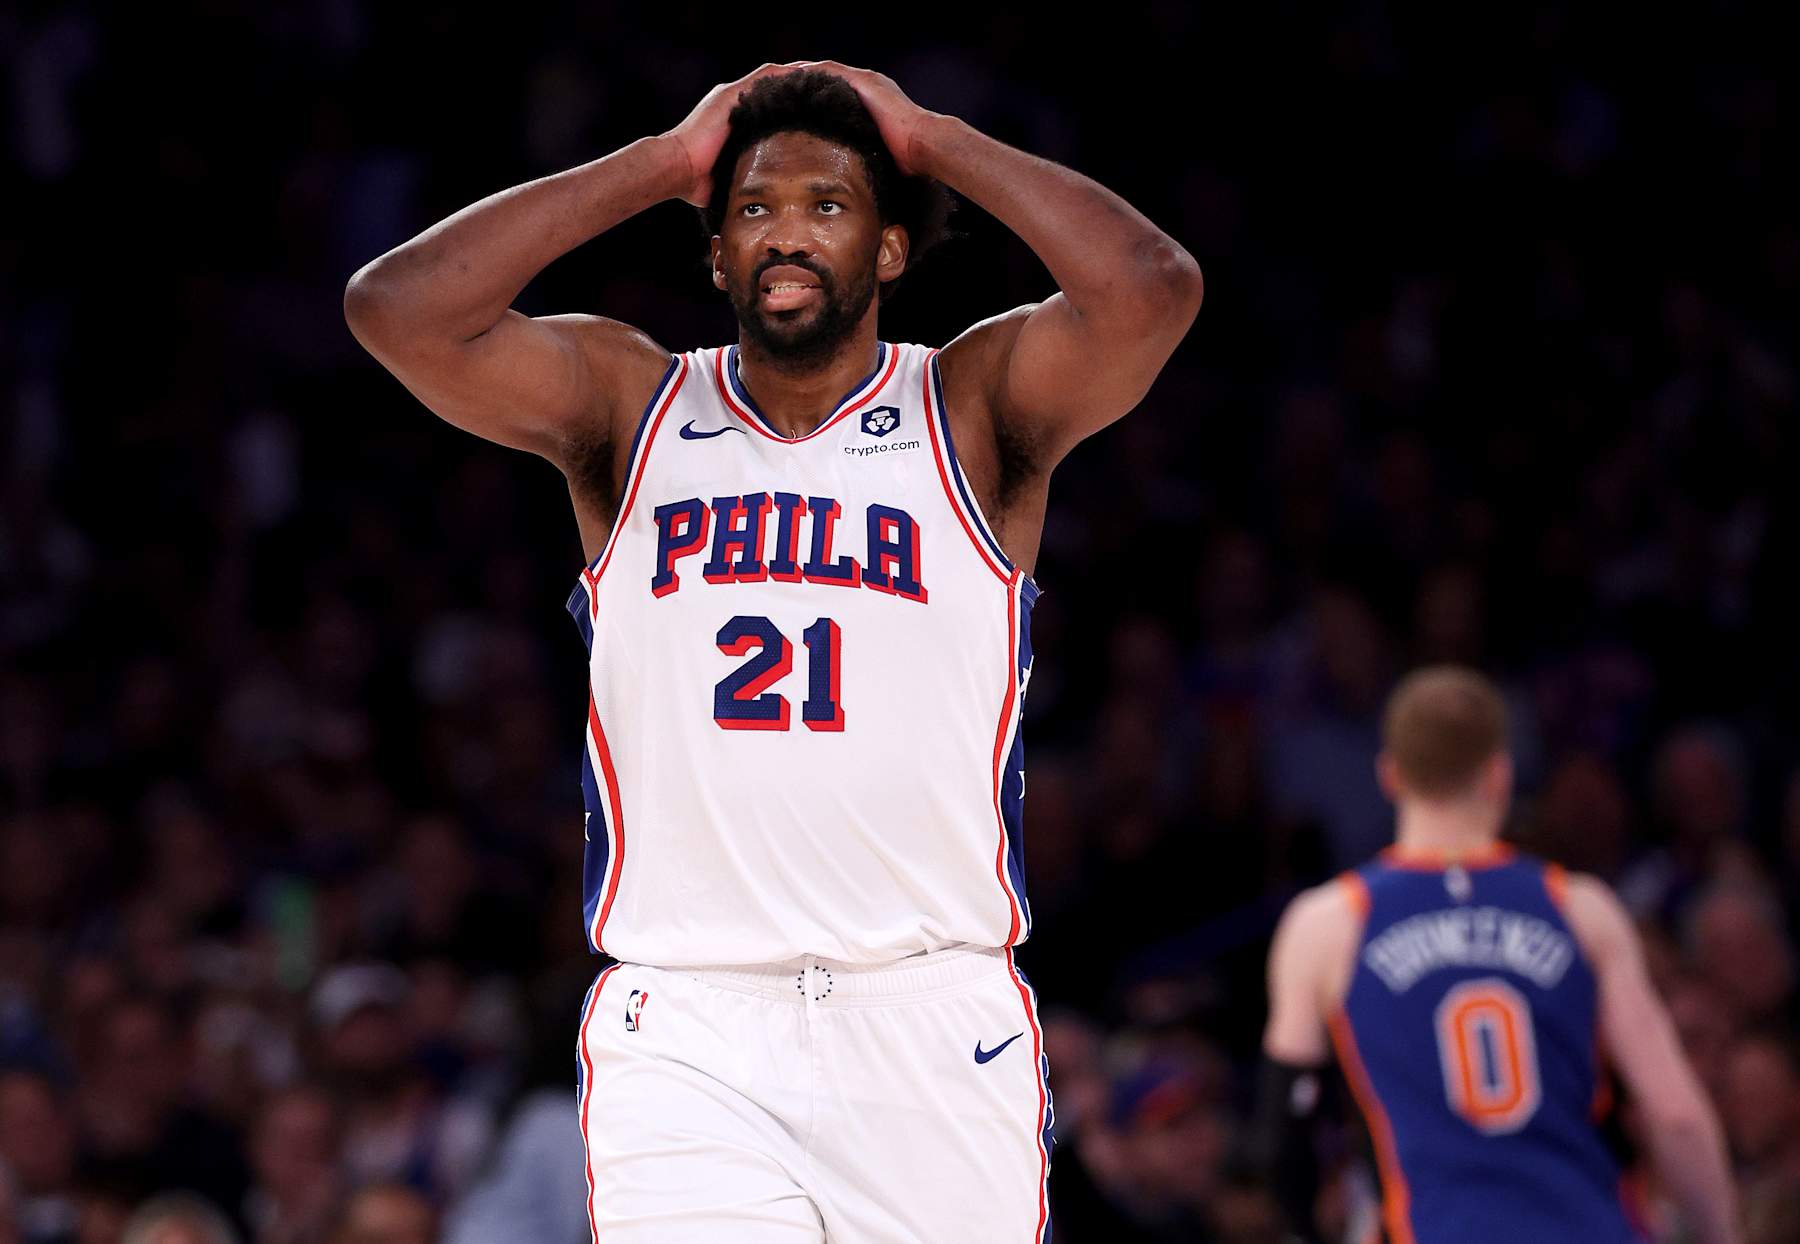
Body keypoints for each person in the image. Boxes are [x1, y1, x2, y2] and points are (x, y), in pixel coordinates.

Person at [344, 60, 1201, 1241]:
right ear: (714, 254)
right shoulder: (628, 404)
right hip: (692, 1019)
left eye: (828, 205)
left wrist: (935, 138)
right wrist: (659, 162)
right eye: (753, 208)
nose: (786, 232)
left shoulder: (969, 406)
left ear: (892, 249)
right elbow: (396, 307)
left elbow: (1152, 289)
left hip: (931, 1006)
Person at [1256, 665, 1739, 1244]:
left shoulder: (1330, 923)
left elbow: (1283, 1134)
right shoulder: (1579, 907)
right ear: (1499, 775)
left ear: (1390, 775)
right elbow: (1677, 1116)